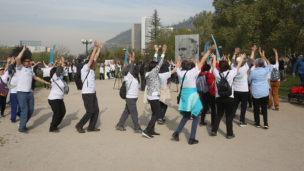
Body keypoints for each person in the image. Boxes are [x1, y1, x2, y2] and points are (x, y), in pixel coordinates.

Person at [172, 45, 215, 145]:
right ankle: (192, 138)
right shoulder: (193, 72)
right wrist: (208, 51)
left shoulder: (179, 73)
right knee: (196, 116)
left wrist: (178, 60)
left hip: (184, 95)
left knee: (186, 115)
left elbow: (177, 66)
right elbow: (202, 61)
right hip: (192, 94)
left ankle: (176, 133)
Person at [15, 46, 51, 134]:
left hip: (29, 93)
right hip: (21, 93)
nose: (30, 62)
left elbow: (35, 77)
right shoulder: (20, 68)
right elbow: (18, 58)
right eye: (28, 61)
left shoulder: (30, 70)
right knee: (24, 110)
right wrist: (23, 49)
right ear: (23, 62)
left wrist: (46, 83)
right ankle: (21, 127)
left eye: (30, 61)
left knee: (30, 110)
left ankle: (22, 124)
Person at [210, 51, 246, 139]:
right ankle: (229, 133)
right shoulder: (231, 73)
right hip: (229, 97)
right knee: (229, 116)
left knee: (219, 114)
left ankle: (214, 130)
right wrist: (242, 58)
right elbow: (238, 66)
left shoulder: (217, 74)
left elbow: (213, 66)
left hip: (219, 97)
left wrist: (214, 58)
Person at [75, 41, 103, 133]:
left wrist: (99, 49)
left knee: (96, 110)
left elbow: (95, 58)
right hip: (87, 93)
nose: (95, 65)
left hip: (93, 92)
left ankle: (91, 127)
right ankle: (79, 125)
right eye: (94, 64)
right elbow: (91, 59)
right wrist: (94, 47)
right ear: (89, 64)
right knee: (90, 111)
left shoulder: (91, 71)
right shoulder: (85, 69)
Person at [142, 44, 167, 139]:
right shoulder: (153, 72)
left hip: (151, 96)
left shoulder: (149, 72)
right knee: (157, 113)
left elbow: (154, 63)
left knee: (154, 113)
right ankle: (147, 130)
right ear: (154, 68)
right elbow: (159, 64)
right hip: (154, 96)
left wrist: (156, 52)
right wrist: (163, 52)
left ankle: (152, 130)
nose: (158, 68)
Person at [115, 51, 142, 133]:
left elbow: (130, 66)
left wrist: (130, 58)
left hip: (131, 98)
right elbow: (131, 67)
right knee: (134, 113)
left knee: (126, 112)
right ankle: (137, 128)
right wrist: (133, 57)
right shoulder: (128, 77)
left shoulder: (129, 77)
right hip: (131, 98)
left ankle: (120, 124)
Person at [231, 46, 255, 126]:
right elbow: (251, 60)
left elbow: (232, 61)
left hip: (236, 90)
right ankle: (241, 121)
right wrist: (253, 51)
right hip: (244, 90)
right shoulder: (244, 68)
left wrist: (235, 53)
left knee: (235, 105)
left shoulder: (233, 68)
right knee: (243, 107)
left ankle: (230, 118)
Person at [248, 48, 272, 129]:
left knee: (256, 108)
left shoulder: (253, 72)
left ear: (256, 64)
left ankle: (257, 123)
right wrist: (264, 58)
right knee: (264, 108)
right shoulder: (265, 70)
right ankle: (265, 123)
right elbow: (270, 66)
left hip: (256, 92)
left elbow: (249, 80)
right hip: (265, 91)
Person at [157, 60, 180, 124]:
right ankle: (160, 118)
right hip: (164, 90)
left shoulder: (157, 74)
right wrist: (178, 62)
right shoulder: (166, 74)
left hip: (158, 90)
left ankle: (159, 116)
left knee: (160, 104)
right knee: (165, 104)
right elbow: (174, 70)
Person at [48, 56, 67, 133]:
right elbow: (59, 69)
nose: (60, 72)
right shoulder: (54, 77)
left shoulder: (59, 78)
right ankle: (52, 127)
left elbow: (61, 70)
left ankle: (54, 123)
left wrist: (62, 62)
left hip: (59, 99)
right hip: (53, 99)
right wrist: (60, 62)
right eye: (58, 72)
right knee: (57, 113)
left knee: (63, 112)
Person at [197, 63, 216, 127]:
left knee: (205, 107)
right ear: (209, 69)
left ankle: (202, 121)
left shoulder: (200, 74)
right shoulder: (211, 75)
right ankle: (213, 123)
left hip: (203, 92)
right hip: (211, 93)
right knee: (213, 108)